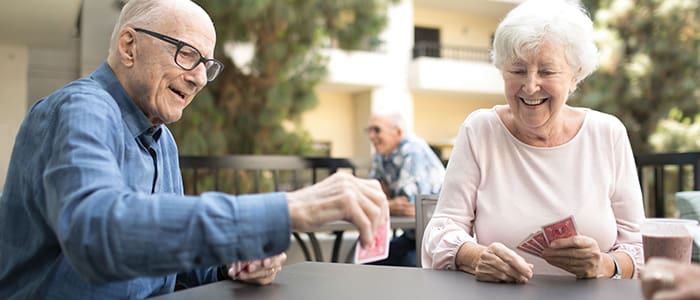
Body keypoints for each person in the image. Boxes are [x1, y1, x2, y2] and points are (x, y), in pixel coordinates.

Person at [0, 0, 388, 299]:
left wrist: (230, 265)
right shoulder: (82, 108)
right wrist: (289, 209)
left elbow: (166, 265)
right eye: (186, 54)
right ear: (129, 46)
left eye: (207, 64)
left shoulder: (162, 138)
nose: (200, 78)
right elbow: (98, 231)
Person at [421, 0, 646, 283]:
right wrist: (476, 257)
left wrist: (606, 264)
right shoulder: (480, 129)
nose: (530, 86)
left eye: (547, 71)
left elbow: (640, 247)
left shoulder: (607, 133)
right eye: (517, 71)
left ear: (574, 77)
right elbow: (442, 229)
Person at [366, 112, 445, 267]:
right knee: (368, 261)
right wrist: (389, 203)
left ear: (398, 132)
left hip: (435, 240)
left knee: (406, 269)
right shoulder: (381, 155)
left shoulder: (413, 151)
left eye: (377, 130)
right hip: (413, 236)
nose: (371, 135)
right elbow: (370, 194)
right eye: (369, 130)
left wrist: (384, 202)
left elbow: (407, 207)